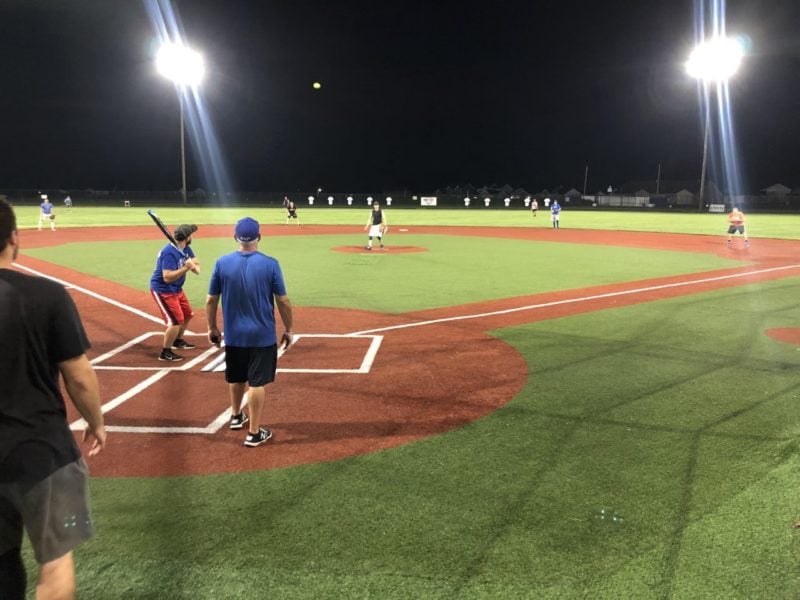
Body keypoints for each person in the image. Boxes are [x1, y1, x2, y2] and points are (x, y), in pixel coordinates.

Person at [0, 198, 106, 600]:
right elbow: (78, 375)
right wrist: (96, 422)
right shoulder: (47, 295)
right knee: (55, 561)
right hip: (42, 451)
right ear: (14, 237)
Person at [206, 217, 294, 447]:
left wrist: (212, 327)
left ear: (236, 237)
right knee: (257, 382)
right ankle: (254, 432)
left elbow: (210, 300)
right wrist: (289, 328)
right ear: (259, 237)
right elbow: (283, 301)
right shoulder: (270, 264)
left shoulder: (221, 263)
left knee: (235, 375)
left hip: (234, 334)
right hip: (262, 335)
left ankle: (236, 416)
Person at [149, 224, 201, 362]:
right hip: (163, 290)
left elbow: (196, 263)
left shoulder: (185, 248)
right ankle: (166, 352)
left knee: (188, 314)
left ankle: (178, 340)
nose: (193, 237)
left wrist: (192, 264)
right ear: (187, 237)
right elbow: (167, 277)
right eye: (192, 234)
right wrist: (186, 267)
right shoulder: (169, 252)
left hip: (177, 289)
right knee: (176, 321)